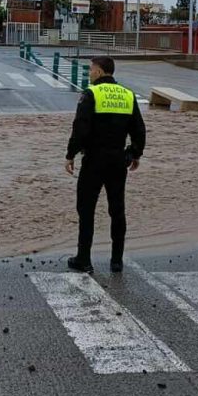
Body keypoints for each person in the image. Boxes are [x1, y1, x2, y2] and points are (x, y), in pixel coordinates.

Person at [64, 56, 145, 273]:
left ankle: (84, 259)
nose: (89, 73)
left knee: (86, 209)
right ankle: (116, 261)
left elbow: (80, 128)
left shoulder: (91, 94)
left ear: (99, 72)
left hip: (94, 160)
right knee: (117, 210)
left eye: (91, 70)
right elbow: (139, 129)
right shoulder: (127, 95)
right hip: (118, 160)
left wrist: (70, 154)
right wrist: (134, 154)